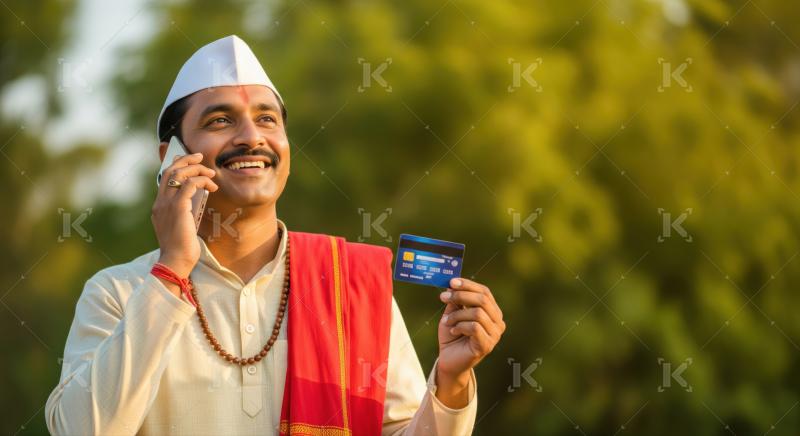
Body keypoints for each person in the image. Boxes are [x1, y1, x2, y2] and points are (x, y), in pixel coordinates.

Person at [45, 35, 505, 435]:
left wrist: (451, 381)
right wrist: (172, 270)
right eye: (220, 121)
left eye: (267, 119)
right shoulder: (119, 293)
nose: (252, 137)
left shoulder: (352, 286)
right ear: (172, 157)